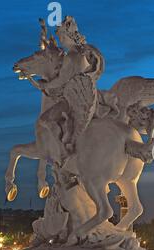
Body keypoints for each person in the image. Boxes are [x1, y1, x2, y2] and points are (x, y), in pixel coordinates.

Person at [38, 16, 104, 161]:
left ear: (69, 36)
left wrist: (45, 85)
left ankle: (64, 150)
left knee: (45, 120)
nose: (60, 39)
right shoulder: (85, 54)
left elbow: (61, 80)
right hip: (91, 97)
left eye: (61, 35)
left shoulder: (71, 56)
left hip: (73, 99)